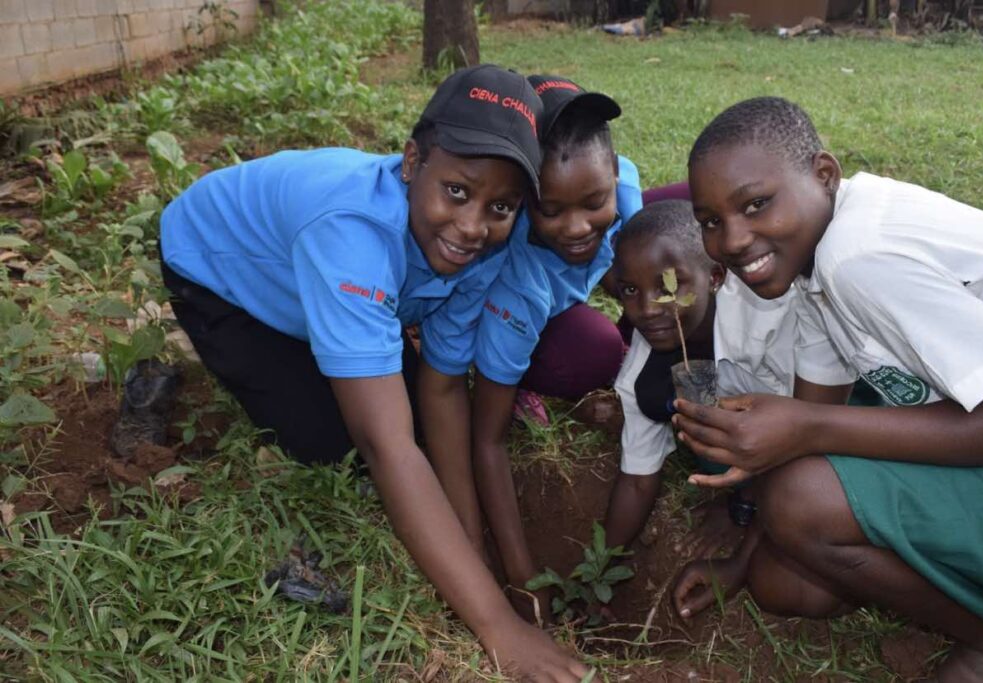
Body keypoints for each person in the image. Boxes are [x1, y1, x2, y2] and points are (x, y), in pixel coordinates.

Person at [160, 64, 591, 681]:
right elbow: (384, 446)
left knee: (412, 411)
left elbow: (443, 386)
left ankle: (340, 338)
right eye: (458, 192)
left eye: (501, 206)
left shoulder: (479, 247)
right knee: (336, 440)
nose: (473, 228)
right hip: (219, 274)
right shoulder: (352, 231)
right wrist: (497, 626)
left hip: (335, 283)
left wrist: (473, 545)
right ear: (413, 162)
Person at [672, 96, 983, 682]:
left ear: (823, 174)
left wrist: (805, 427)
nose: (732, 240)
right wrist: (742, 558)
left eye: (757, 204)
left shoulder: (856, 258)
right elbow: (815, 411)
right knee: (785, 581)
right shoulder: (815, 259)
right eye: (711, 222)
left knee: (802, 503)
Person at [455, 75, 642, 618]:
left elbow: (621, 225)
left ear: (610, 175)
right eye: (551, 209)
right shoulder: (517, 286)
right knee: (596, 349)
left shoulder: (621, 187)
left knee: (677, 215)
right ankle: (521, 380)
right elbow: (485, 441)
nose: (579, 226)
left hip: (561, 298)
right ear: (523, 201)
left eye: (594, 200)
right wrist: (520, 575)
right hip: (518, 320)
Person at [601, 200, 802, 562]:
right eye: (630, 290)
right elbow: (637, 478)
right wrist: (601, 568)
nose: (647, 309)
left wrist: (742, 506)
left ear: (714, 277)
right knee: (681, 414)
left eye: (670, 285)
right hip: (749, 423)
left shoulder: (767, 322)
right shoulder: (643, 371)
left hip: (831, 408)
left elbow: (806, 426)